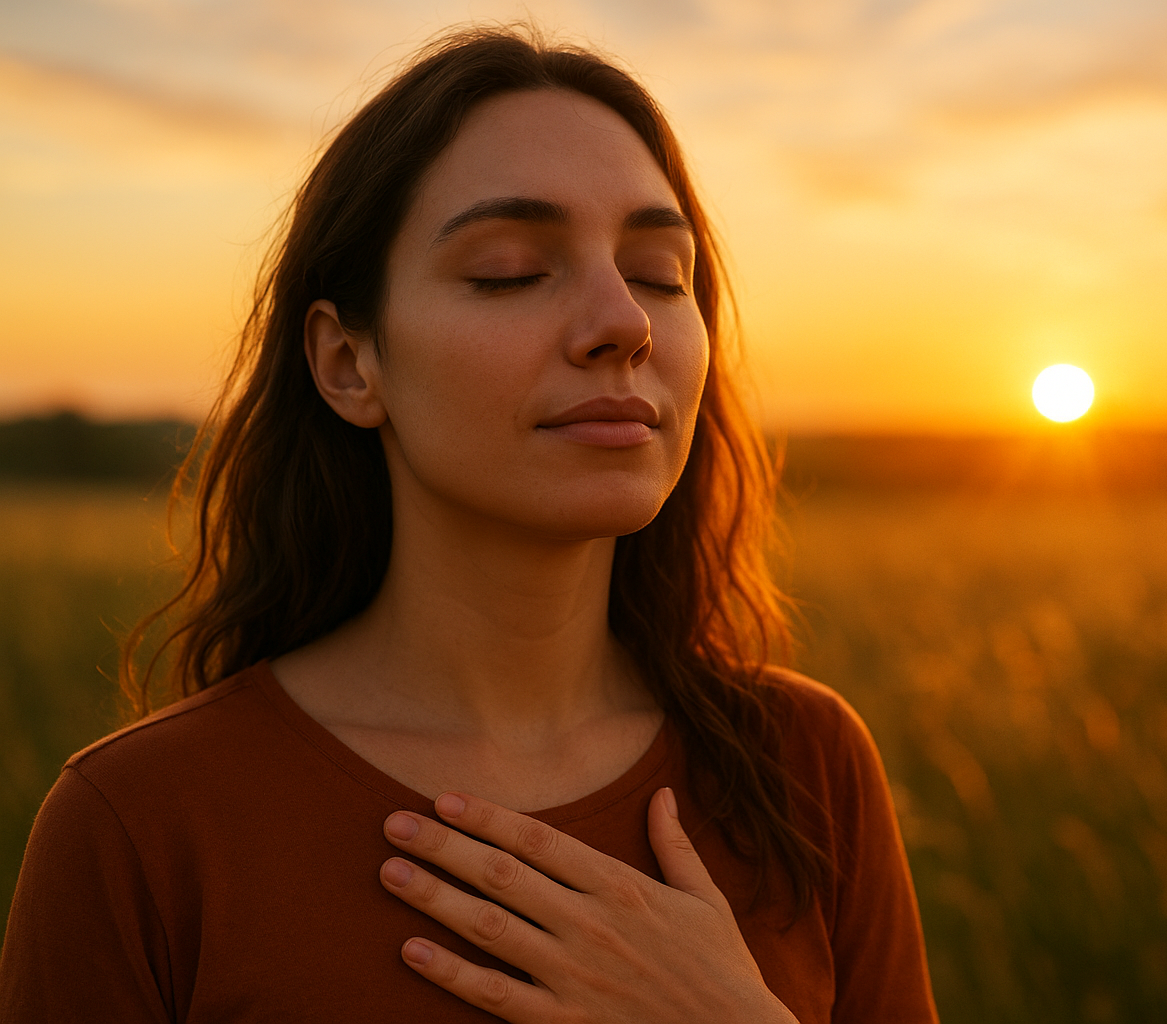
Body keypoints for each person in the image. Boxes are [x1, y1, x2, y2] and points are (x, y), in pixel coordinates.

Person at [0, 25, 937, 1024]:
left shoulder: (802, 763)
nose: (625, 323)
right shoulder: (144, 822)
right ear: (348, 364)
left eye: (661, 274)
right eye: (510, 270)